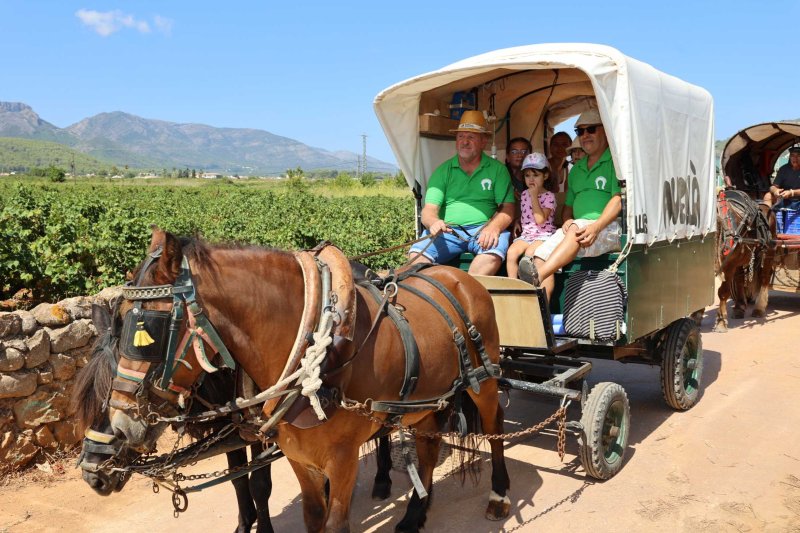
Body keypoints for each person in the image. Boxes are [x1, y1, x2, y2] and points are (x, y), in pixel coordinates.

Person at [519, 108, 622, 298]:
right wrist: (566, 220)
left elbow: (618, 200)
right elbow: (568, 207)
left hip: (607, 228)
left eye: (591, 129)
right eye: (580, 131)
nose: (585, 135)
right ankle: (541, 312)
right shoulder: (577, 169)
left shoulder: (615, 162)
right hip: (578, 230)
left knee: (575, 228)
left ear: (605, 131)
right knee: (539, 255)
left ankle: (537, 277)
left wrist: (596, 226)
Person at [408, 110, 515, 275]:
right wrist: (434, 222)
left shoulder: (498, 170)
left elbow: (508, 208)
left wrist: (494, 227)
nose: (465, 142)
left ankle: (468, 289)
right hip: (448, 232)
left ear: (483, 141)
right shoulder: (443, 171)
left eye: (471, 137)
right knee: (416, 258)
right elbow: (429, 210)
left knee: (491, 255)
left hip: (484, 230)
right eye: (461, 136)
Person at [506, 152, 557, 280]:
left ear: (545, 175)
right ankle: (513, 284)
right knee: (511, 253)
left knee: (530, 253)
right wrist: (519, 220)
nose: (531, 179)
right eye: (527, 175)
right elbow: (527, 213)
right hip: (527, 235)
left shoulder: (549, 196)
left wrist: (534, 196)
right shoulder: (524, 194)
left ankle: (530, 283)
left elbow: (540, 220)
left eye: (536, 175)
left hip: (544, 236)